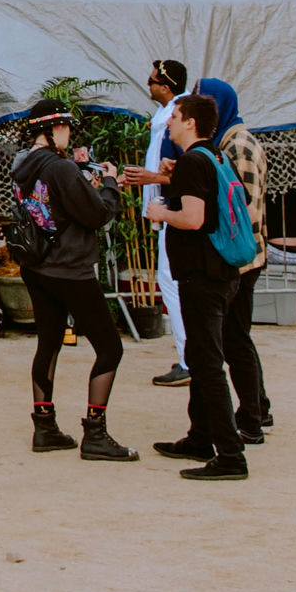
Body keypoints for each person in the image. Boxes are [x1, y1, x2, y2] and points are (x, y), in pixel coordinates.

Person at [7, 102, 136, 461]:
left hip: (37, 267)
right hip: (71, 270)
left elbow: (56, 203)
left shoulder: (22, 165)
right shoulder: (61, 167)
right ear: (53, 129)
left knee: (48, 344)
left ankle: (44, 427)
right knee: (110, 348)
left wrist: (88, 184)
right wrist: (109, 184)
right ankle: (95, 433)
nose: (68, 134)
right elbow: (97, 214)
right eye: (66, 126)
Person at [146, 93, 247, 481]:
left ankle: (230, 455)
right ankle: (200, 436)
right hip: (222, 272)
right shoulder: (214, 156)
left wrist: (161, 211)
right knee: (204, 355)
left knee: (206, 364)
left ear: (190, 122)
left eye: (175, 115)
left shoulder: (193, 161)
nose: (169, 121)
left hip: (202, 275)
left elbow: (193, 218)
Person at [200, 78, 272, 440]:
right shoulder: (229, 143)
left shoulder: (239, 147)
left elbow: (244, 209)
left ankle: (252, 418)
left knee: (235, 339)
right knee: (236, 337)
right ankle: (259, 405)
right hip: (244, 254)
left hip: (242, 257)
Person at [118, 59, 190, 385]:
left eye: (151, 81)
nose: (147, 86)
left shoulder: (177, 120)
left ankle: (189, 359)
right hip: (165, 209)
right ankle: (189, 355)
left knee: (172, 284)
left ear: (166, 86)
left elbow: (187, 171)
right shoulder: (166, 118)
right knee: (170, 283)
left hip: (175, 212)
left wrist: (152, 179)